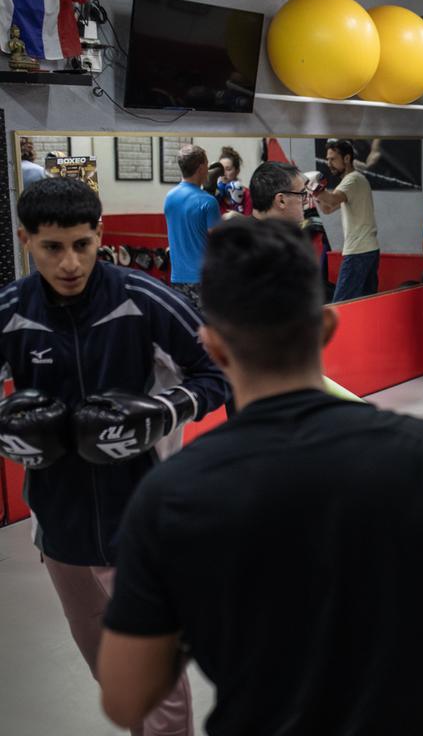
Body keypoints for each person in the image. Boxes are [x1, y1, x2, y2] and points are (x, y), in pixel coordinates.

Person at [96, 218, 423, 734]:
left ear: (213, 347)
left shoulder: (170, 492)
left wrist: (196, 611)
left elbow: (125, 696)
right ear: (327, 328)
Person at [0, 177, 229, 735]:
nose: (71, 262)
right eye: (52, 247)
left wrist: (164, 410)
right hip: (59, 526)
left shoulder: (143, 299)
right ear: (26, 239)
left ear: (100, 234)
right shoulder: (9, 310)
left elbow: (220, 373)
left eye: (82, 243)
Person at [313, 139, 380, 302]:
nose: (329, 164)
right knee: (365, 304)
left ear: (347, 158)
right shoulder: (354, 181)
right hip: (369, 250)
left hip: (358, 252)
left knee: (341, 305)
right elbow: (327, 209)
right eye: (328, 159)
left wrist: (312, 187)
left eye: (333, 159)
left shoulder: (352, 180)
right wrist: (315, 193)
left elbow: (330, 199)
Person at [164, 144, 220, 310]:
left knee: (185, 327)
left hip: (177, 278)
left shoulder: (169, 197)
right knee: (205, 329)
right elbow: (218, 240)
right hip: (203, 278)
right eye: (207, 164)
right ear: (201, 167)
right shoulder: (208, 202)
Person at [215, 145, 252, 217]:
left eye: (228, 169)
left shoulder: (247, 194)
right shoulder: (215, 194)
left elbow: (252, 225)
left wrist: (239, 217)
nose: (223, 173)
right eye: (221, 169)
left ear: (237, 171)